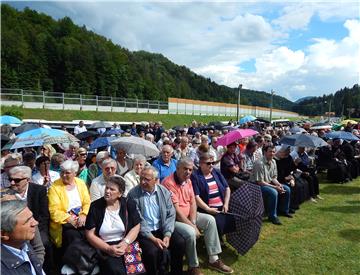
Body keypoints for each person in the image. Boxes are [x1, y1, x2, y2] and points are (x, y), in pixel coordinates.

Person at [162, 158, 233, 275]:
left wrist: (193, 221)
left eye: (190, 169)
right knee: (190, 232)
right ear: (178, 168)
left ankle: (213, 259)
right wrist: (192, 226)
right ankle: (193, 266)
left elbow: (193, 202)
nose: (188, 172)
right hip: (173, 219)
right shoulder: (168, 183)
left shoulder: (188, 181)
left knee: (210, 220)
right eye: (185, 169)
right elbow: (177, 212)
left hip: (188, 215)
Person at [128, 166, 186, 275]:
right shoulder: (133, 195)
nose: (143, 182)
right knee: (152, 252)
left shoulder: (163, 191)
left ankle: (176, 272)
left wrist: (167, 235)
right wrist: (153, 239)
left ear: (155, 180)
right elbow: (138, 220)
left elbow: (171, 214)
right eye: (141, 179)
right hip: (145, 233)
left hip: (162, 228)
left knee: (179, 242)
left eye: (147, 179)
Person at [85, 175, 141, 275]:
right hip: (104, 246)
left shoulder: (129, 204)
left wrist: (125, 242)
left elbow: (136, 226)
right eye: (107, 188)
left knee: (135, 272)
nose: (107, 191)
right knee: (116, 271)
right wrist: (108, 249)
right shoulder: (95, 206)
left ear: (120, 194)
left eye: (112, 189)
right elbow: (90, 234)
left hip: (125, 244)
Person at [7, 165, 53, 274]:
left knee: (44, 242)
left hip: (37, 226)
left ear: (27, 180)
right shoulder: (7, 195)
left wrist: (34, 229)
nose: (12, 183)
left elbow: (44, 215)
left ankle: (47, 269)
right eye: (10, 179)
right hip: (15, 228)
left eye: (16, 180)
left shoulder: (39, 190)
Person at [48, 160, 90, 250]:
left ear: (75, 173)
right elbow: (54, 211)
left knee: (93, 233)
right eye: (62, 172)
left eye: (67, 173)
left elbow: (87, 202)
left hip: (82, 218)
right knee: (74, 238)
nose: (63, 175)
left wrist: (84, 214)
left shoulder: (81, 183)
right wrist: (69, 219)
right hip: (65, 223)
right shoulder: (54, 188)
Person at [190, 153, 235, 238]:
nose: (211, 165)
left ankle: (221, 236)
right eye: (208, 163)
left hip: (222, 206)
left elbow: (227, 188)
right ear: (200, 164)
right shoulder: (195, 176)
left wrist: (226, 204)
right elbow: (196, 197)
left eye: (212, 163)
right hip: (207, 208)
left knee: (231, 218)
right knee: (218, 222)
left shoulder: (216, 172)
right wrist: (208, 209)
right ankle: (217, 238)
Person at [250, 145, 292, 225]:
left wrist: (279, 185)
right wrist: (275, 187)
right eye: (270, 151)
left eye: (273, 151)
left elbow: (273, 177)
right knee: (273, 192)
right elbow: (260, 182)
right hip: (256, 185)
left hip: (267, 183)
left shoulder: (273, 161)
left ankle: (284, 210)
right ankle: (272, 216)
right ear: (265, 152)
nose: (272, 153)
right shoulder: (259, 163)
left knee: (286, 188)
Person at [1, 200, 44, 274]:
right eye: (27, 221)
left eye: (32, 217)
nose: (35, 223)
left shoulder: (23, 244)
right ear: (3, 234)